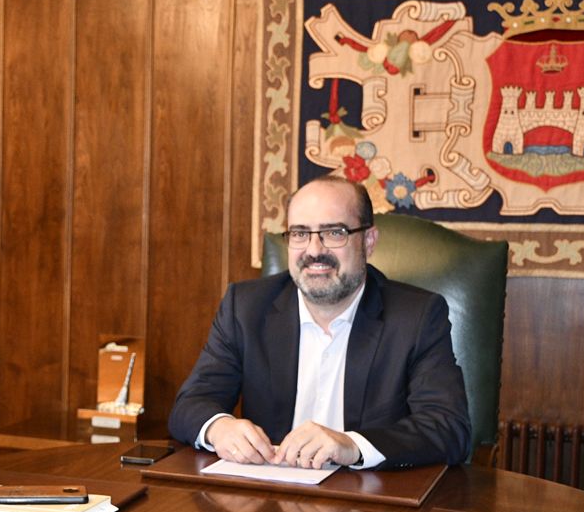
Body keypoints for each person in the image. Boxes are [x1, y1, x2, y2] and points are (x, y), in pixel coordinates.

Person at [167, 175, 470, 470]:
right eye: (299, 233)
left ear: (368, 241)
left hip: (371, 505)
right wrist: (219, 428)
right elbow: (190, 404)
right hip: (265, 504)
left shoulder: (416, 317)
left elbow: (448, 428)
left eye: (334, 232)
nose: (314, 251)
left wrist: (352, 445)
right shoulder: (245, 308)